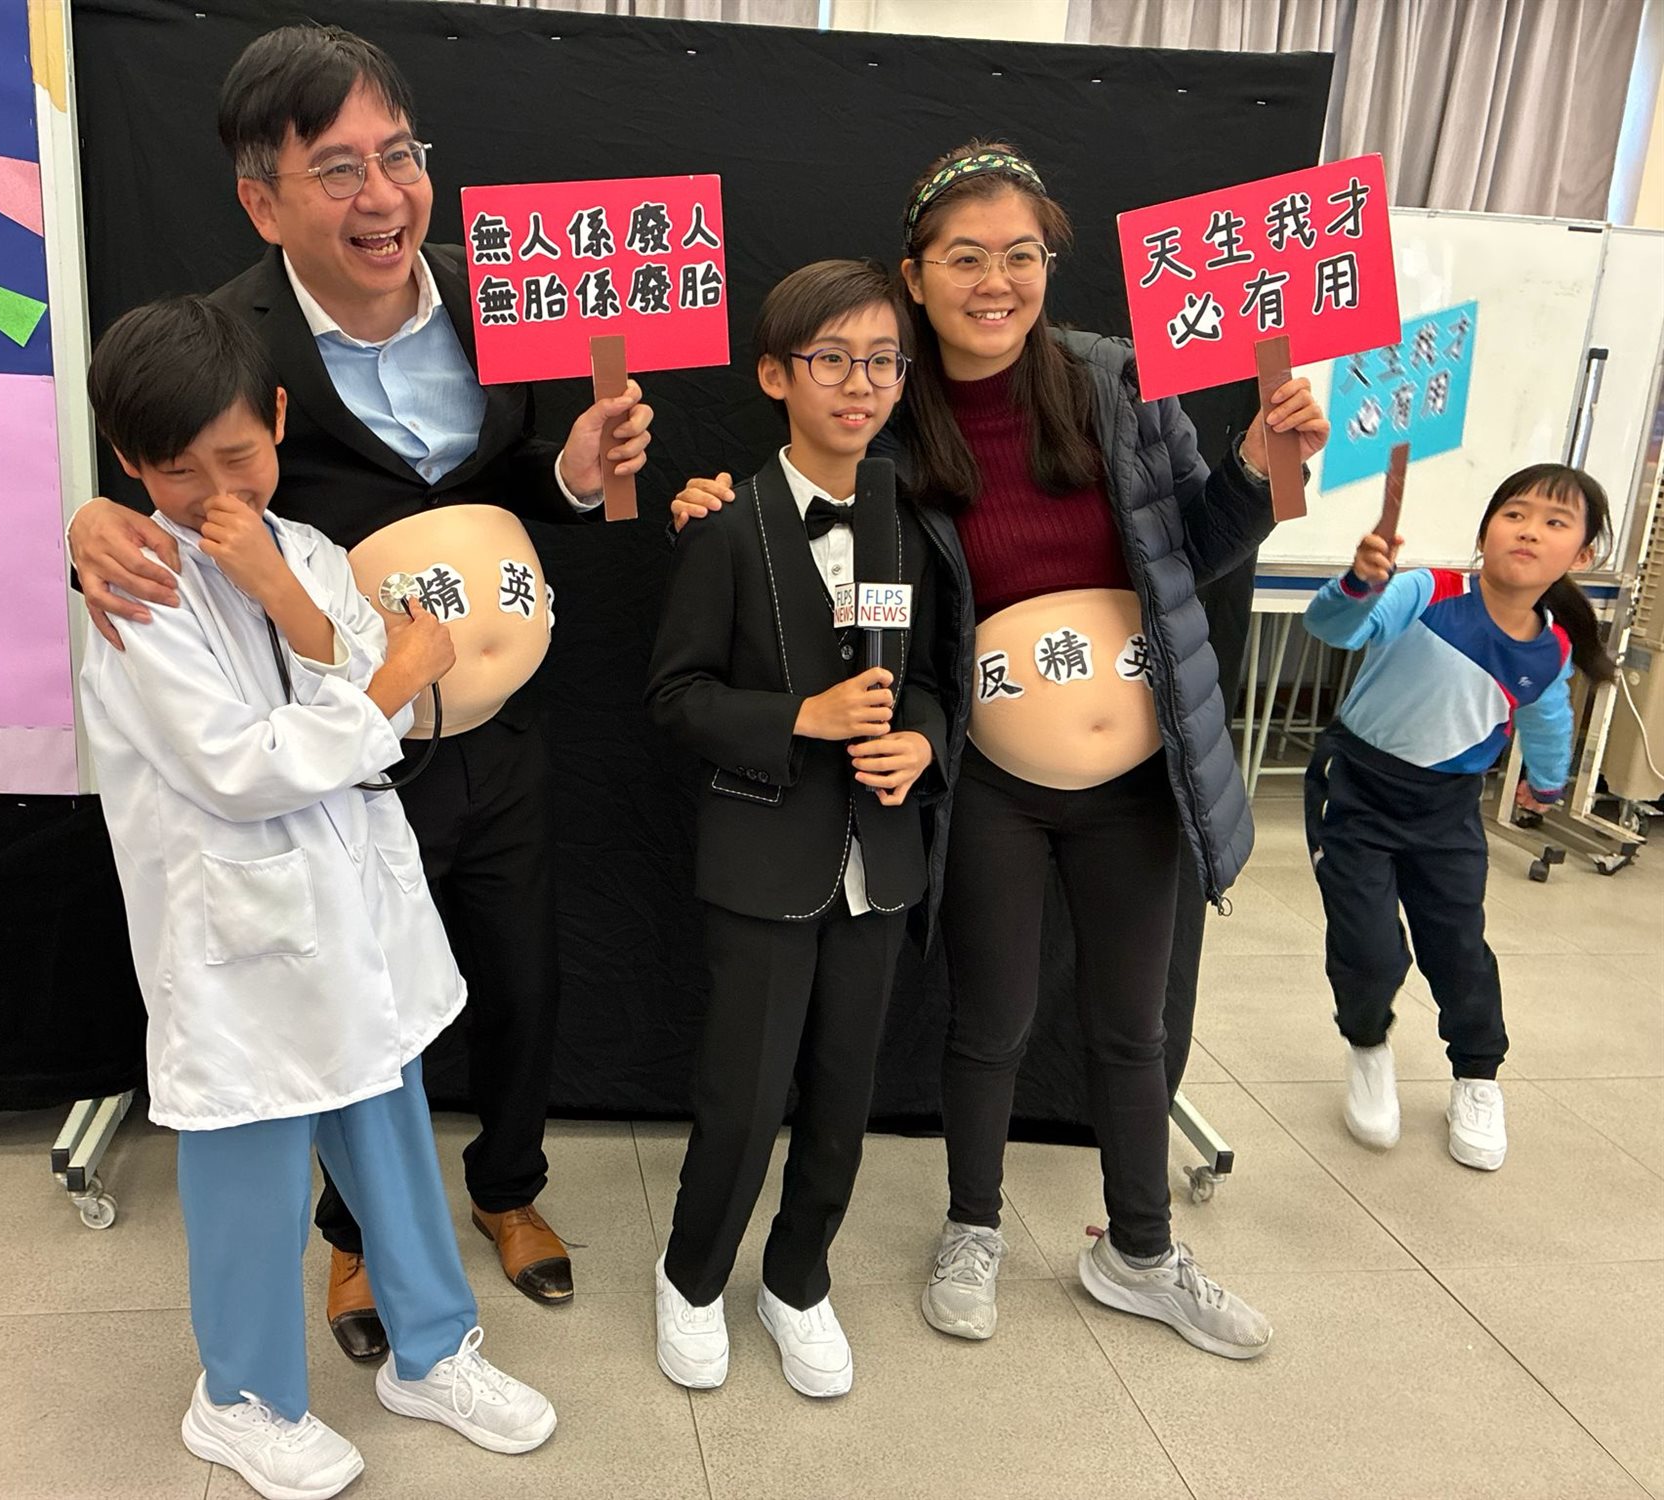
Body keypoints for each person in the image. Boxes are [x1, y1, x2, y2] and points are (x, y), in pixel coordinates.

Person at [675, 141, 1328, 1360]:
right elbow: (813, 519)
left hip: (1136, 772)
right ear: (913, 275)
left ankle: (1141, 1253)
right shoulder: (883, 408)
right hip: (984, 776)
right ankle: (970, 1228)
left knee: (1133, 1024)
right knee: (991, 1020)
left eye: (1019, 255)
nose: (995, 281)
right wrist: (721, 506)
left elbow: (1193, 546)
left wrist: (1255, 467)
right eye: (964, 257)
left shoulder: (1116, 382)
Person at [66, 23, 656, 1359]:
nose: (383, 195)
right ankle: (356, 1242)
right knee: (353, 993)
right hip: (340, 744)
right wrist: (80, 529)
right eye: (338, 168)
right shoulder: (227, 339)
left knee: (522, 973)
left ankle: (508, 1188)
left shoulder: (504, 294)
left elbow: (494, 486)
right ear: (260, 199)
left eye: (400, 155)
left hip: (496, 724)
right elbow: (164, 501)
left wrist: (571, 474)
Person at [80, 296, 557, 1499]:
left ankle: (432, 1352)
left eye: (237, 456)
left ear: (280, 419)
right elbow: (245, 768)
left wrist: (295, 605)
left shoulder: (304, 550)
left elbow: (364, 679)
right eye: (177, 473)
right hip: (238, 942)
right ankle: (238, 1398)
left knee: (388, 1131)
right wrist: (383, 684)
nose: (215, 494)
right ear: (129, 464)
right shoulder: (137, 589)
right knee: (249, 1164)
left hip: (348, 919)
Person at [647, 260, 964, 1399]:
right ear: (776, 375)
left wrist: (922, 743)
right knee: (743, 1096)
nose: (859, 383)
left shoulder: (912, 525)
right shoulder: (726, 524)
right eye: (831, 359)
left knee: (841, 1096)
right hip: (762, 860)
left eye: (882, 361)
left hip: (879, 862)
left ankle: (797, 1278)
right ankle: (690, 1278)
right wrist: (800, 719)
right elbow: (675, 697)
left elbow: (936, 681)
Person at [1301, 463, 1614, 1172]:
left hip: (1447, 814)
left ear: (1583, 555)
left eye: (1555, 522)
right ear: (1485, 531)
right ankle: (1368, 1046)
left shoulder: (1551, 648)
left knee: (1459, 949)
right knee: (1368, 948)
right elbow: (1334, 629)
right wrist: (1356, 584)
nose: (1529, 530)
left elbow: (1546, 718)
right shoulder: (1428, 591)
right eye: (1515, 514)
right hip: (1356, 793)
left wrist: (1548, 782)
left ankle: (1477, 1075)